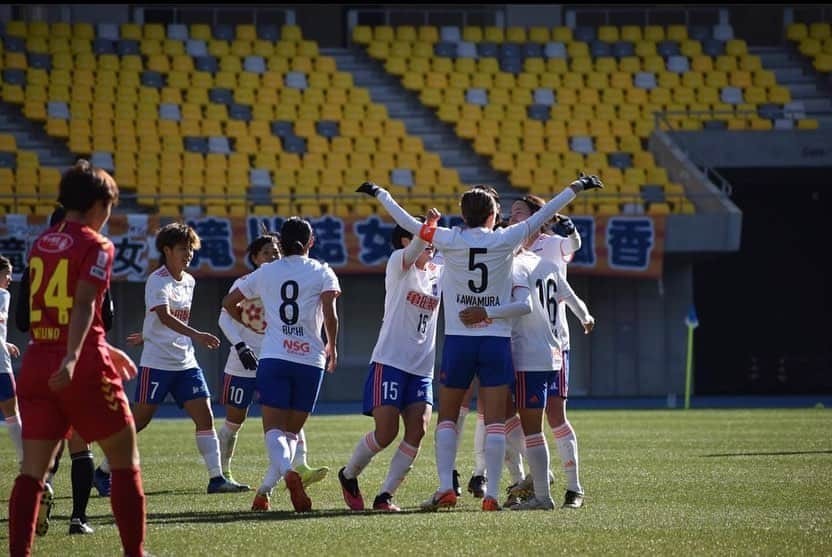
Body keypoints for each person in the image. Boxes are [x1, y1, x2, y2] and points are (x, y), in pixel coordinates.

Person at [356, 173, 603, 511]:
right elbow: (544, 215)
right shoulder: (505, 239)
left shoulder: (450, 240)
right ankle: (491, 496)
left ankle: (446, 485)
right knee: (496, 420)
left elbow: (407, 223)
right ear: (492, 216)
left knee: (447, 417)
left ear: (462, 213)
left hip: (459, 340)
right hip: (495, 341)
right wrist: (575, 187)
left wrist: (381, 194)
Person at [9, 160, 146, 556]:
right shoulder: (97, 244)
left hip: (36, 363)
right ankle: (135, 552)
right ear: (98, 205)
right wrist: (75, 356)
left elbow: (51, 311)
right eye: (109, 207)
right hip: (80, 365)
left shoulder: (41, 244)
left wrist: (95, 348)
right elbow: (84, 304)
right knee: (124, 459)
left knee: (32, 473)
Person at [95, 222, 246, 494]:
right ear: (167, 250)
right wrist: (197, 334)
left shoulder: (189, 281)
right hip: (157, 364)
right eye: (182, 249)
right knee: (139, 420)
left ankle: (216, 478)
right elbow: (163, 315)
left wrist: (146, 332)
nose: (188, 254)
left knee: (205, 416)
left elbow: (161, 318)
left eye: (190, 249)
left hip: (186, 362)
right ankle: (102, 471)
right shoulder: (158, 279)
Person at [222, 217, 340, 513]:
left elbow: (228, 302)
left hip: (274, 357)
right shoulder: (323, 271)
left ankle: (278, 480)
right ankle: (266, 491)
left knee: (274, 431)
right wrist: (332, 347)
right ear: (310, 242)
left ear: (280, 244)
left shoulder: (266, 272)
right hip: (309, 360)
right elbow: (330, 313)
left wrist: (251, 322)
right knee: (290, 433)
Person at [338, 212, 443, 512]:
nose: (431, 244)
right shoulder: (399, 262)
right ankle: (348, 475)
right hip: (391, 362)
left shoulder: (439, 271)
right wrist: (429, 227)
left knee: (418, 429)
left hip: (422, 367)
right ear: (405, 240)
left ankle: (385, 496)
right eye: (424, 237)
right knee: (386, 433)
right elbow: (416, 248)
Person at [16, 206, 108, 535]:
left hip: (38, 358)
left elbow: (22, 322)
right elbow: (104, 318)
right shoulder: (91, 256)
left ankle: (37, 503)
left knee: (40, 452)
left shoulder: (34, 263)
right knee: (82, 445)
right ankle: (78, 519)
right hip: (78, 360)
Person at [504, 194, 595, 509]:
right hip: (525, 342)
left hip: (549, 341)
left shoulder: (550, 246)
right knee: (502, 413)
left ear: (536, 217)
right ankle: (532, 477)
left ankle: (571, 487)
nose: (513, 216)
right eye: (510, 212)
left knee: (553, 416)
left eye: (519, 212)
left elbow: (572, 249)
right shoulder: (512, 248)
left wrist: (571, 234)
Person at [0, 255, 23, 466]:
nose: (10, 278)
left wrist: (4, 343)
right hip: (0, 365)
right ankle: (27, 460)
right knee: (11, 411)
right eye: (7, 273)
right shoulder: (2, 294)